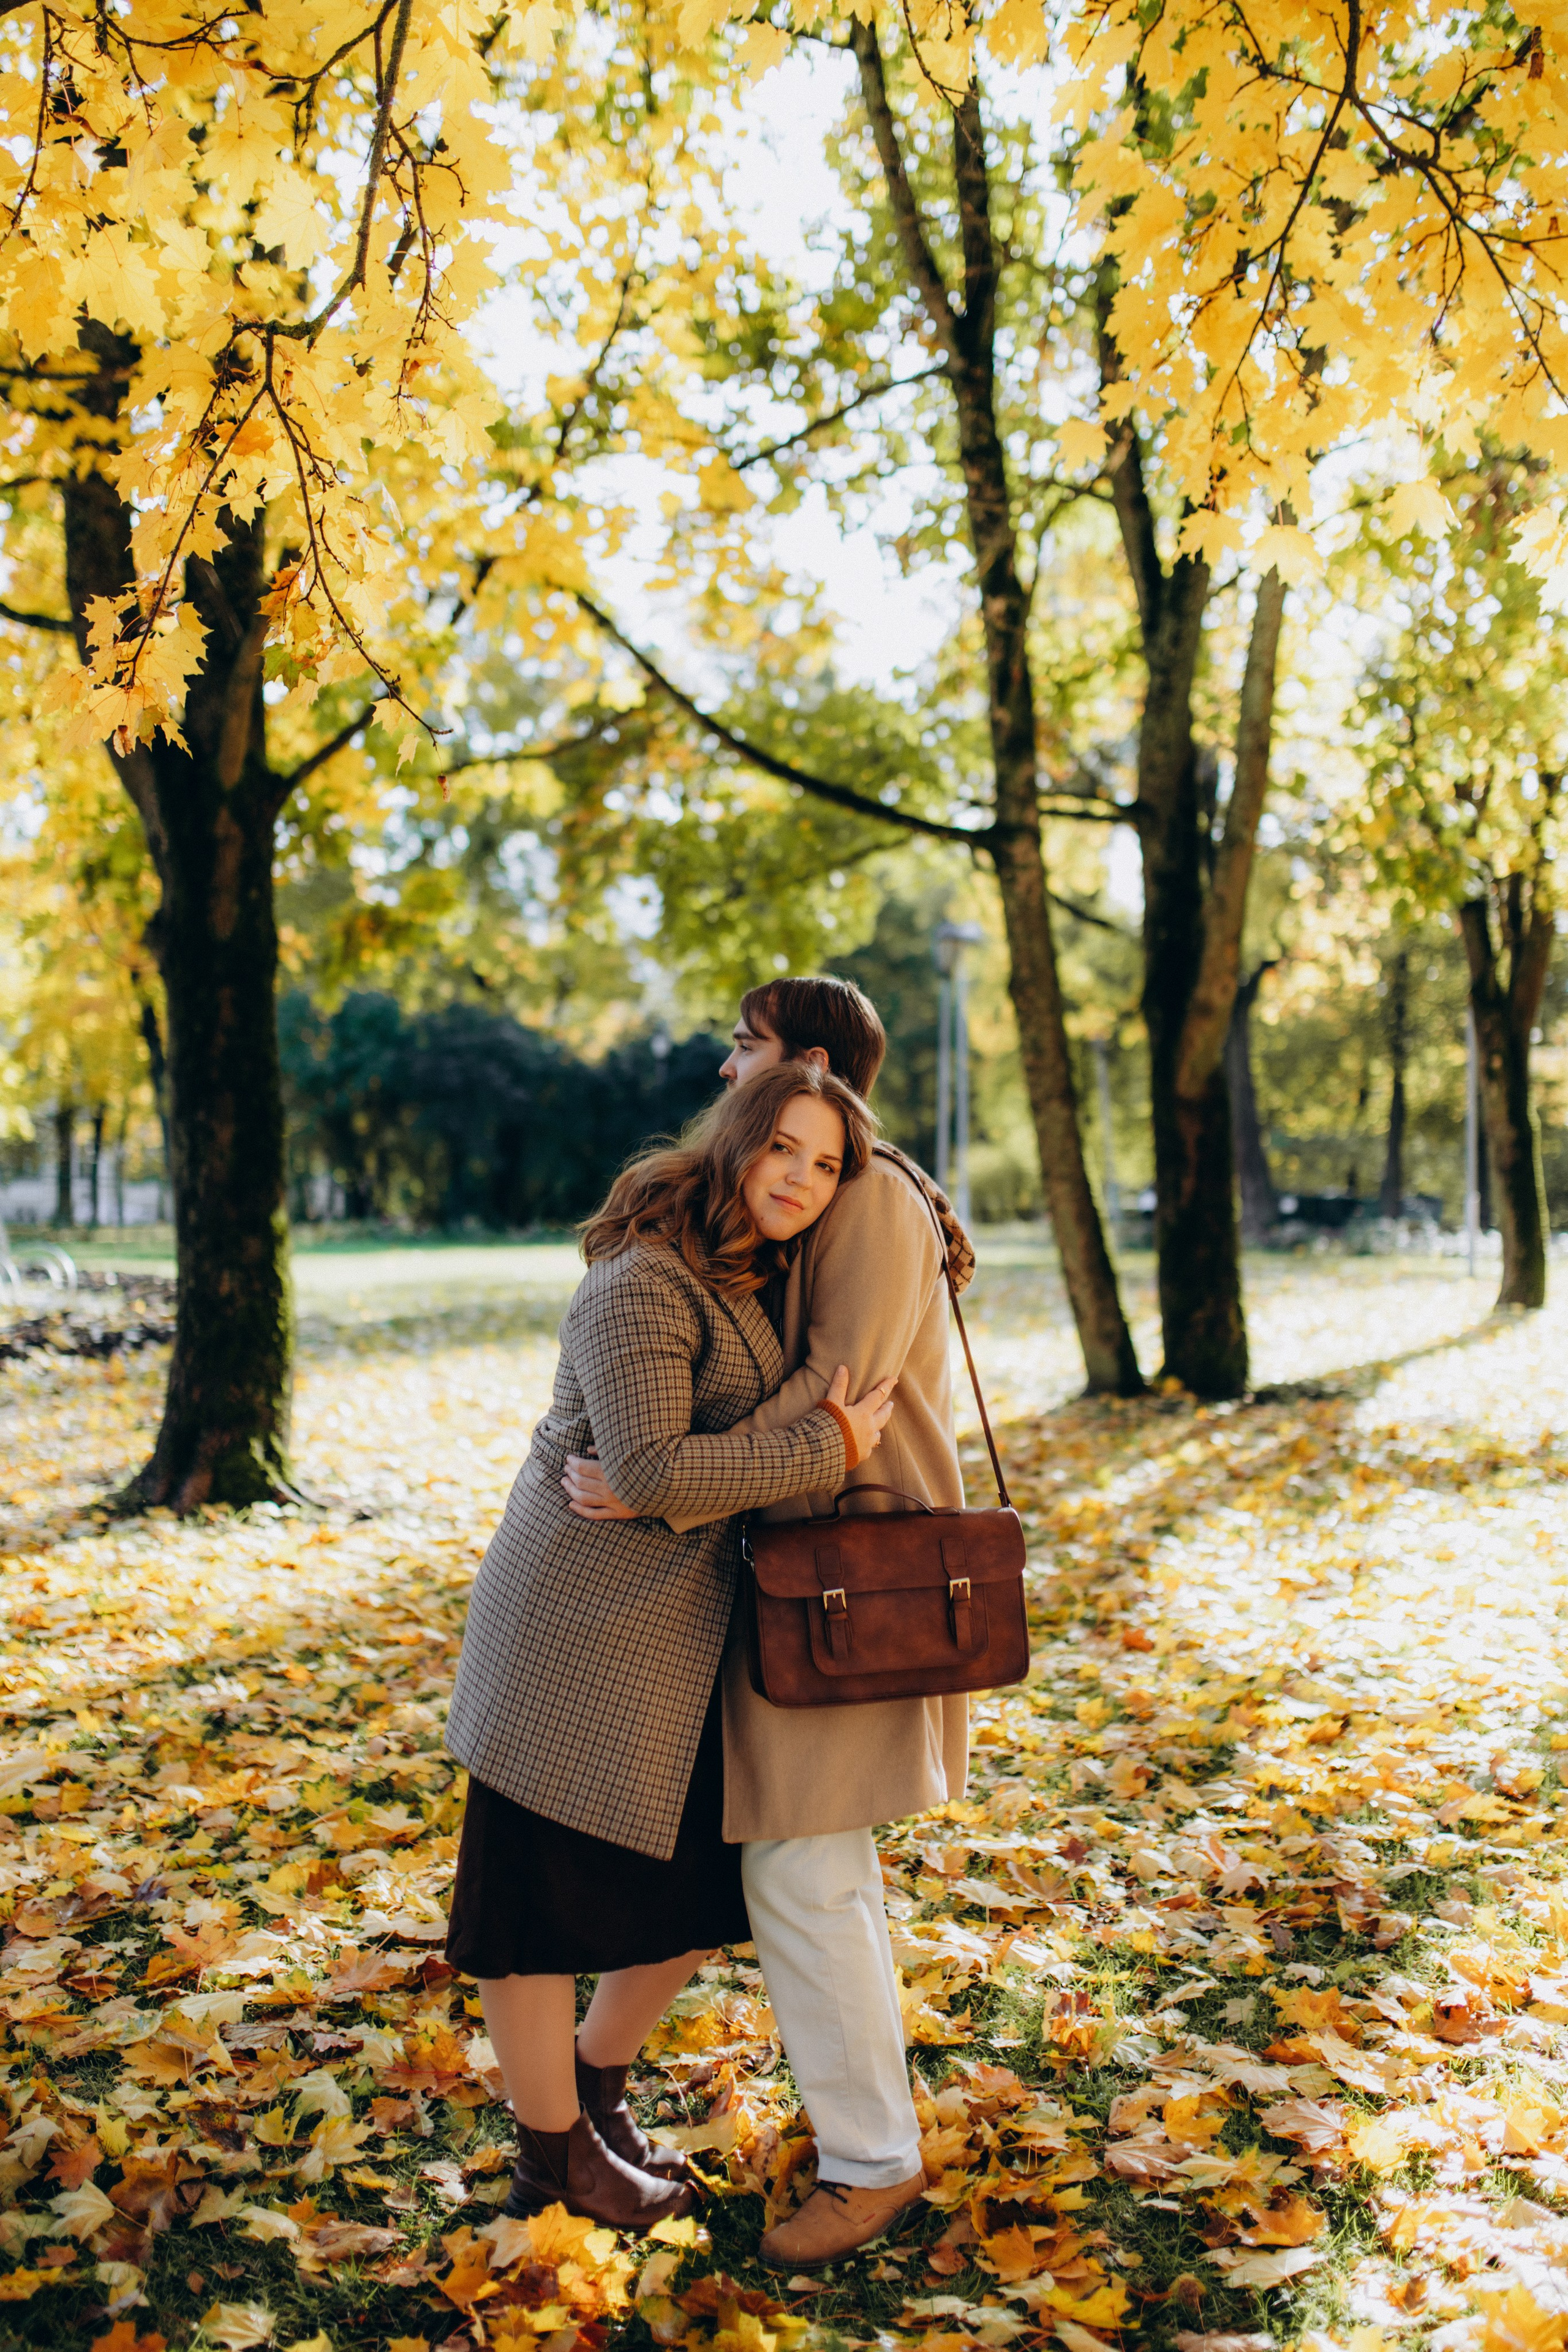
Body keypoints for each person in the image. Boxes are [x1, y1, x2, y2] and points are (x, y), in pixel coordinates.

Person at [444, 1062, 898, 2230]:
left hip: (662, 1646)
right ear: (738, 1138)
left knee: (699, 1895)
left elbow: (658, 1476)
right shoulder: (640, 1281)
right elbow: (645, 1471)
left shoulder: (743, 1271)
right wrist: (826, 1449)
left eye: (827, 1163)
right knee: (537, 1912)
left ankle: (591, 2087)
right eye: (783, 1148)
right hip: (569, 1640)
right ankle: (553, 2160)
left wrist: (681, 1480)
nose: (802, 1177)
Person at [565, 975, 974, 2267]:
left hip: (851, 1568)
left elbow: (829, 1395)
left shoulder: (869, 1199)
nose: (722, 1076)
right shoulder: (843, 1186)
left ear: (800, 1063)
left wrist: (666, 1479)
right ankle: (862, 2142)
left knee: (805, 1869)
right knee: (807, 1866)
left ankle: (871, 2165)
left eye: (737, 1053)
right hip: (809, 1561)